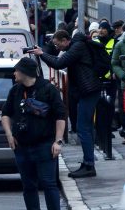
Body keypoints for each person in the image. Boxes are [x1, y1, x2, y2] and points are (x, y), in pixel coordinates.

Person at [1, 57, 67, 210]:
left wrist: (58, 141)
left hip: (45, 144)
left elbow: (61, 115)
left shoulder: (48, 89)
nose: (14, 73)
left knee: (48, 182)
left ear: (25, 72)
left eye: (16, 70)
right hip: (22, 145)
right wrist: (9, 134)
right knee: (28, 185)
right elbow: (5, 114)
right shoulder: (15, 91)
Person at [29, 30, 102, 178]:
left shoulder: (77, 47)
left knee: (83, 128)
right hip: (86, 90)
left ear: (65, 40)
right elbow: (58, 58)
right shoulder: (75, 46)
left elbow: (58, 63)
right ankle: (88, 162)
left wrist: (41, 54)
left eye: (58, 44)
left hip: (89, 90)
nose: (57, 48)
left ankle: (89, 164)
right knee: (84, 127)